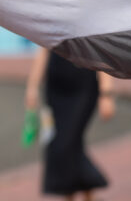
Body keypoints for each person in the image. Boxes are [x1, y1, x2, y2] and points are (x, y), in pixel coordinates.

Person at [25, 47, 116, 201]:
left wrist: (106, 93)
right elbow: (43, 47)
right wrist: (32, 87)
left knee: (66, 143)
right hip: (56, 88)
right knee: (68, 144)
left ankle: (84, 189)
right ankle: (82, 195)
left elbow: (100, 47)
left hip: (83, 85)